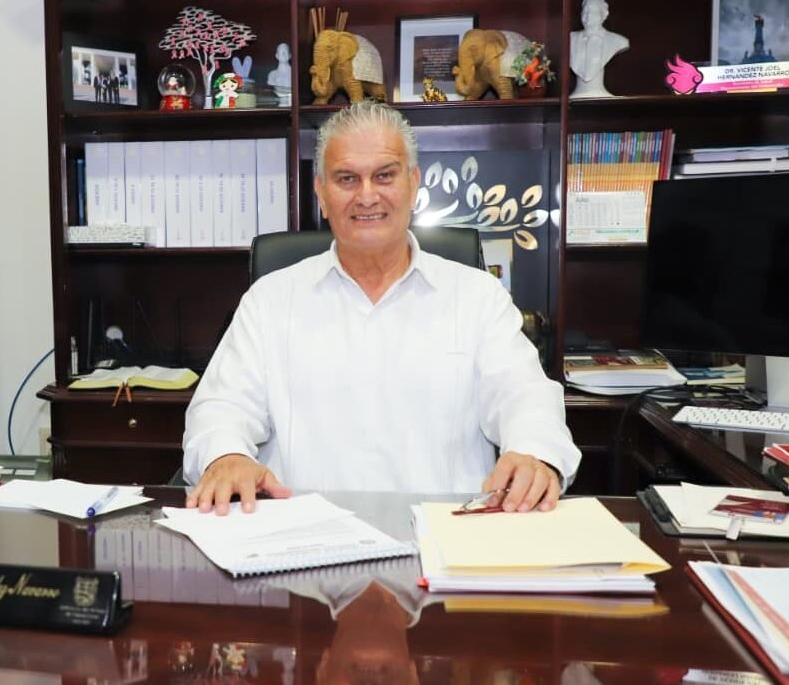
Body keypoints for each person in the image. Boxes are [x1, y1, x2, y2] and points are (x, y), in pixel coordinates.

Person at [182, 100, 580, 515]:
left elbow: (525, 395)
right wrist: (226, 456)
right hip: (302, 540)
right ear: (321, 193)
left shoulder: (478, 296)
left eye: (385, 175)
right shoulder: (269, 301)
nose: (367, 196)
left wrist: (534, 454)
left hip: (445, 537)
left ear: (413, 183)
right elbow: (221, 407)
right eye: (347, 179)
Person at [569, 0, 629, 98]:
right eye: (585, 11)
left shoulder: (618, 41)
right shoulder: (570, 39)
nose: (587, 16)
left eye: (593, 12)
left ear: (604, 15)